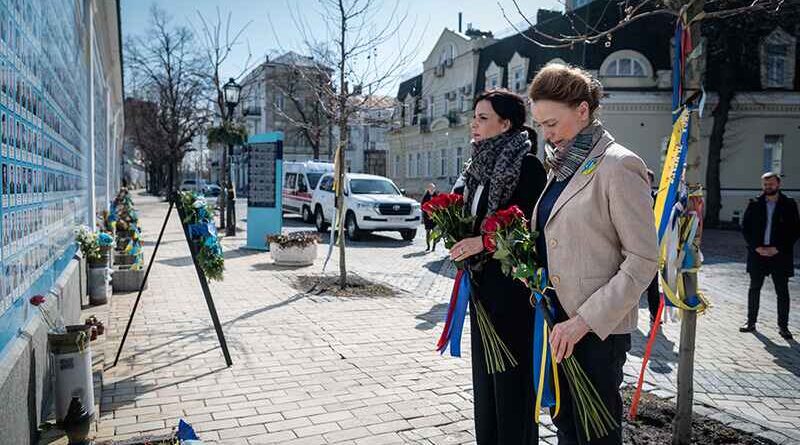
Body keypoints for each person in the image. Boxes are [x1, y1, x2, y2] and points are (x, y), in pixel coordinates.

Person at [528, 63, 657, 444]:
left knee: (595, 435)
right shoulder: (562, 165)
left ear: (583, 110)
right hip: (557, 324)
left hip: (595, 332)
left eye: (552, 123)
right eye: (541, 126)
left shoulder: (619, 165)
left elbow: (642, 260)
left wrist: (583, 321)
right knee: (567, 427)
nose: (547, 135)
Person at [449, 89, 547, 444]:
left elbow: (529, 233)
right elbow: (473, 219)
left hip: (512, 291)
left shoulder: (528, 166)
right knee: (485, 380)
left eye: (483, 118)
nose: (474, 124)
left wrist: (482, 243)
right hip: (481, 286)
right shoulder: (476, 167)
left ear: (506, 123)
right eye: (474, 116)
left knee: (510, 381)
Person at [740, 172, 800, 340]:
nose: (768, 187)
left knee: (782, 292)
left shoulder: (789, 204)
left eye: (771, 184)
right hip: (758, 254)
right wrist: (756, 247)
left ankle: (784, 327)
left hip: (779, 255)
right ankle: (750, 322)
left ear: (778, 184)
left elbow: (795, 230)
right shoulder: (754, 203)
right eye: (765, 185)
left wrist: (778, 248)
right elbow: (745, 227)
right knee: (754, 289)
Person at [645, 169, 661, 325]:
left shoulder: (659, 200)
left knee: (653, 286)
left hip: (652, 247)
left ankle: (655, 315)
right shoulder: (632, 196)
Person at [421, 183, 439, 251]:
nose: (432, 190)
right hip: (427, 217)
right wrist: (427, 212)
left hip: (435, 217)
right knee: (428, 232)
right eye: (430, 188)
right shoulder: (425, 197)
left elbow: (438, 206)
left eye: (433, 189)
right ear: (428, 189)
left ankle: (434, 247)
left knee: (435, 232)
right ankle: (428, 246)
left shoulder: (436, 196)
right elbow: (422, 206)